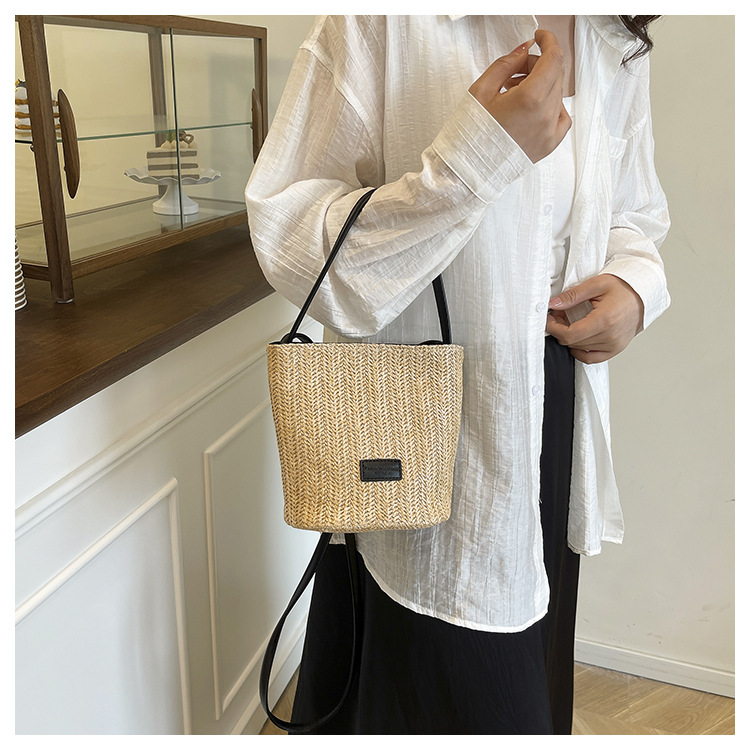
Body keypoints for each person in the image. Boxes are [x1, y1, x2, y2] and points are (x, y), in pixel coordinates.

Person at [245, 15, 670, 735]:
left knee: (527, 672)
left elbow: (632, 211)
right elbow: (288, 240)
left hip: (552, 408)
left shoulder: (612, 31)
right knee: (447, 687)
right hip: (416, 424)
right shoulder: (379, 21)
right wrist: (475, 160)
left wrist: (636, 286)